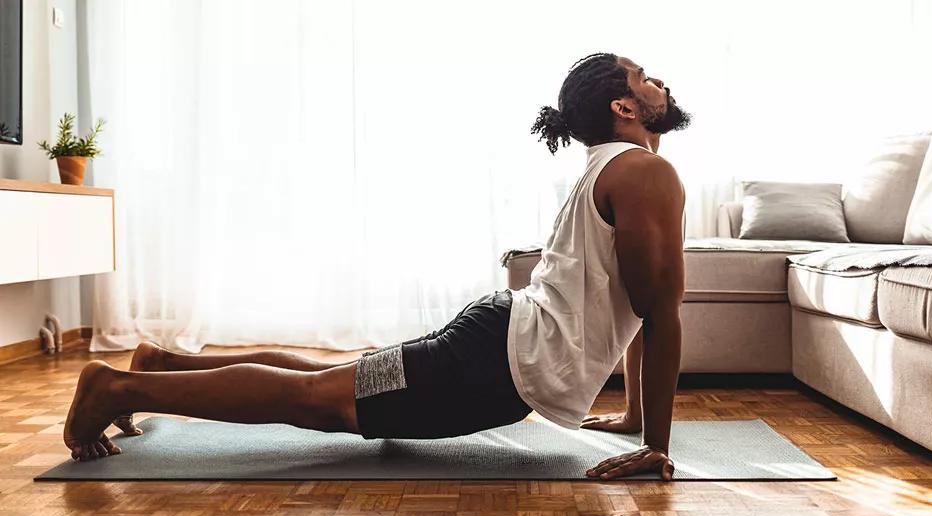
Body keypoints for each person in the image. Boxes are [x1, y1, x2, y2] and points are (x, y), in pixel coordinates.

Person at [64, 52, 690, 482]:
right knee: (319, 400)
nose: (658, 82)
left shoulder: (617, 168)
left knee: (331, 379)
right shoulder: (644, 172)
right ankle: (117, 388)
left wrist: (636, 417)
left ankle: (162, 365)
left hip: (496, 343)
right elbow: (659, 314)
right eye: (644, 77)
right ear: (625, 108)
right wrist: (654, 447)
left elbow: (641, 307)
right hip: (493, 364)